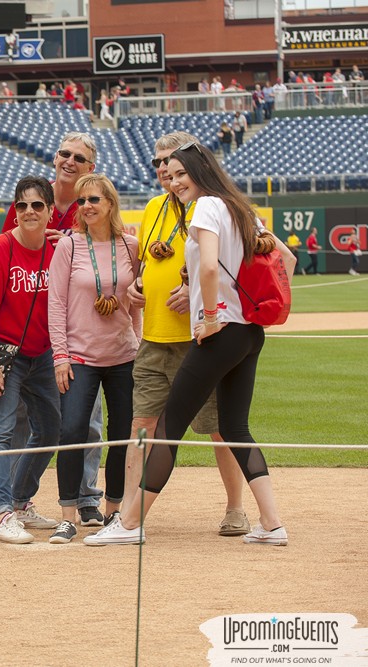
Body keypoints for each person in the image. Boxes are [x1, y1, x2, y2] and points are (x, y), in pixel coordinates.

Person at [85, 141, 296, 547]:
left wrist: (212, 317)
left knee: (167, 427)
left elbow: (211, 265)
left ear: (201, 172)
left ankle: (129, 524)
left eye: (183, 173)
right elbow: (285, 261)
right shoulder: (240, 207)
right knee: (235, 428)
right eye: (172, 173)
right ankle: (272, 523)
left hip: (220, 332)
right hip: (250, 332)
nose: (176, 180)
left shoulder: (205, 207)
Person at [0, 132, 106, 528]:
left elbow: (118, 244)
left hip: (67, 339)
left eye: (79, 157)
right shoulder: (21, 218)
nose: (70, 161)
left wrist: (75, 244)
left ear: (90, 168)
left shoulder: (92, 203)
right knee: (11, 423)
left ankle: (82, 496)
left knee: (79, 420)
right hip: (14, 346)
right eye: (64, 153)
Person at [125, 131, 250, 538]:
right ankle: (127, 513)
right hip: (154, 336)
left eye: (172, 162)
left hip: (197, 337)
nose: (164, 170)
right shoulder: (155, 207)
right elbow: (147, 259)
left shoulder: (207, 206)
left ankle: (235, 508)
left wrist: (192, 290)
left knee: (217, 427)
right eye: (159, 163)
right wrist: (136, 286)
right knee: (141, 424)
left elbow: (223, 262)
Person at [46, 174, 140, 544]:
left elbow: (135, 301)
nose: (86, 206)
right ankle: (68, 516)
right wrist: (60, 355)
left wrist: (139, 339)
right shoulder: (69, 246)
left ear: (110, 204)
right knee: (71, 432)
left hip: (123, 355)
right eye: (82, 201)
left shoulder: (130, 246)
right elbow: (56, 303)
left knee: (121, 436)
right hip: (80, 356)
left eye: (94, 200)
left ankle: (114, 510)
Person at [0, 175, 60, 544]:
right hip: (5, 353)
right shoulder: (0, 248)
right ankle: (2, 511)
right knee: (1, 430)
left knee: (52, 429)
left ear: (51, 211)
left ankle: (20, 501)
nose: (29, 212)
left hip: (44, 354)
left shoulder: (59, 249)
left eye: (37, 205)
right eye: (22, 205)